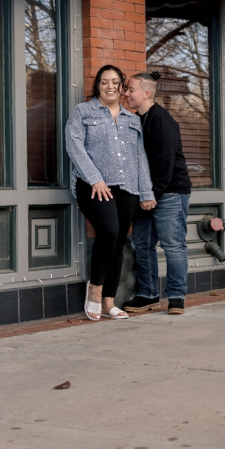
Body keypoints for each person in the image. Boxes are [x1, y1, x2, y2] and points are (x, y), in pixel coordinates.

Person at [65, 64, 156, 320]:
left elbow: (140, 157)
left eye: (115, 82)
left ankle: (109, 302)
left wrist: (146, 192)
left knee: (118, 242)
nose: (110, 86)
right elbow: (74, 146)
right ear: (98, 85)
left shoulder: (132, 119)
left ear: (121, 86)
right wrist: (95, 179)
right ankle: (94, 289)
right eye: (104, 82)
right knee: (109, 231)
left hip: (127, 187)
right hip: (92, 186)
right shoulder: (83, 111)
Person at [122, 71, 192, 315]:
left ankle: (176, 297)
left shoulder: (161, 120)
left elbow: (164, 164)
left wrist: (152, 195)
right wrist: (142, 195)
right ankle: (148, 294)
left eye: (130, 89)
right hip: (145, 194)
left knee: (173, 245)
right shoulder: (135, 120)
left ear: (147, 93)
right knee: (143, 244)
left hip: (169, 193)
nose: (126, 93)